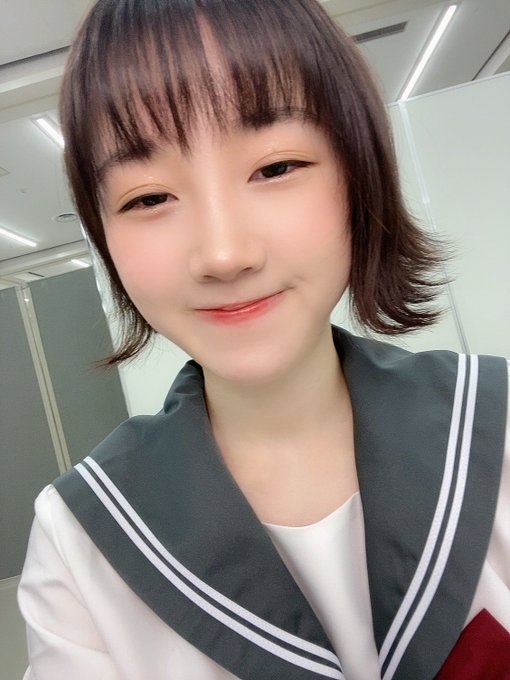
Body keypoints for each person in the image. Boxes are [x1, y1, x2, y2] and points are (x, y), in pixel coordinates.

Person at [17, 0, 509, 678]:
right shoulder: (80, 538)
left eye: (275, 168)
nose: (223, 254)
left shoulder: (494, 428)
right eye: (149, 198)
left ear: (358, 172)